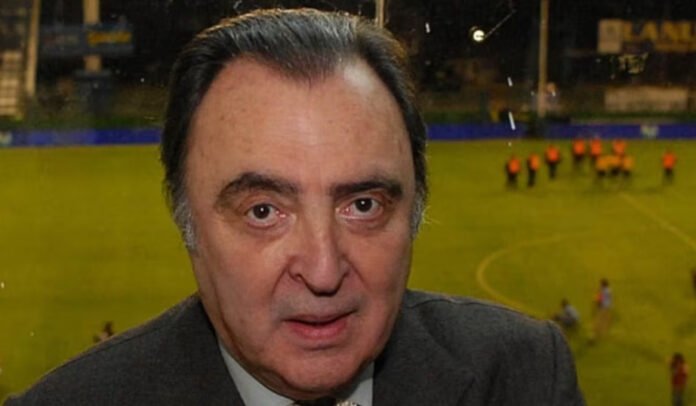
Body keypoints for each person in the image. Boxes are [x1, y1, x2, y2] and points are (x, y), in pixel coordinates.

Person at [6, 9, 584, 405]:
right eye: (263, 211)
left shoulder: (524, 378)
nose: (324, 270)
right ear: (188, 223)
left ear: (415, 213)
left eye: (362, 204)